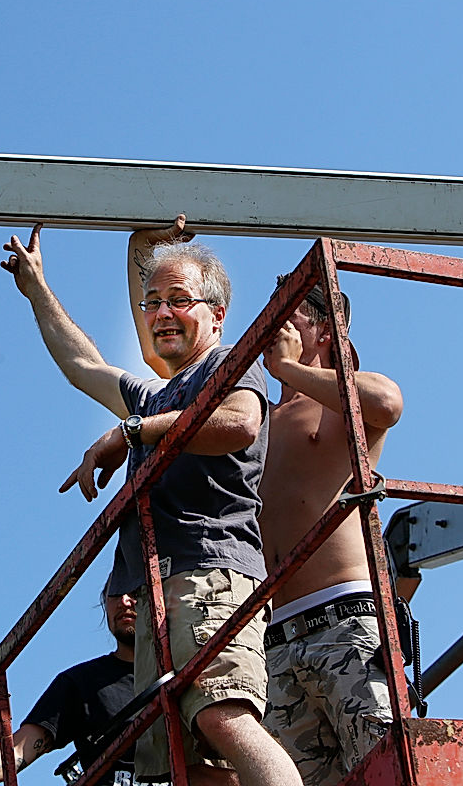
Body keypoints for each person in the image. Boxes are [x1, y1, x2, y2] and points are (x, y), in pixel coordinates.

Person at [3, 224, 302, 786]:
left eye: (178, 300)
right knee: (186, 765)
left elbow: (239, 424)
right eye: (152, 303)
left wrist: (132, 432)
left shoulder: (228, 365)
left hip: (207, 574)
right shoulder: (159, 394)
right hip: (159, 592)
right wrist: (38, 288)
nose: (161, 313)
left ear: (216, 313)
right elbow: (83, 366)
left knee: (223, 715)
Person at [127, 217, 403, 786]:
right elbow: (161, 340)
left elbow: (386, 402)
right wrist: (141, 250)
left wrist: (287, 367)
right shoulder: (249, 417)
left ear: (327, 328)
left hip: (344, 621)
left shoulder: (335, 405)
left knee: (384, 766)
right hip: (273, 636)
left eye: (292, 313)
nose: (274, 324)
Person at [0, 591, 140, 786]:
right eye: (113, 594)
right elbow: (18, 750)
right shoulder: (81, 682)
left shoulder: (172, 674)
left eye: (134, 590)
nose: (123, 601)